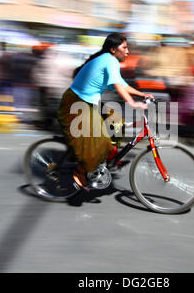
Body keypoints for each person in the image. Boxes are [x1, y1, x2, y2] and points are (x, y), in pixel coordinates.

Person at [57, 33, 153, 190]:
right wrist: (133, 103)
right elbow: (117, 86)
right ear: (113, 49)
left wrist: (142, 95)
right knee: (100, 141)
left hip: (88, 103)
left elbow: (122, 84)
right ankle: (80, 171)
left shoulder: (109, 60)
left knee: (118, 124)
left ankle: (108, 159)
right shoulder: (109, 60)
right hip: (76, 103)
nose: (128, 52)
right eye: (125, 48)